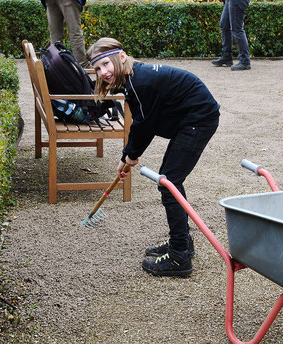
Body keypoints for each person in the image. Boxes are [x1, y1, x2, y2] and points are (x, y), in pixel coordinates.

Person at [87, 38, 220, 277]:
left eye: (106, 64)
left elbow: (144, 126)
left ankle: (180, 256)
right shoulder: (132, 80)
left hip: (198, 120)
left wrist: (130, 156)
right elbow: (141, 123)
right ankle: (183, 244)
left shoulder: (141, 82)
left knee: (170, 183)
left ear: (122, 56)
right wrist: (127, 156)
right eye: (98, 68)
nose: (103, 72)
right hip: (187, 120)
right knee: (169, 181)